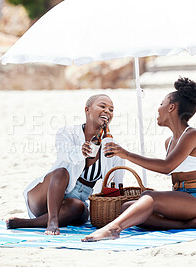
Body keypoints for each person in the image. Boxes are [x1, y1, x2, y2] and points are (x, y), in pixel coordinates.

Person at [82, 77, 196, 242]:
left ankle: (113, 229)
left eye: (161, 104)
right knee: (128, 207)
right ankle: (186, 225)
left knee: (149, 197)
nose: (158, 109)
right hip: (184, 197)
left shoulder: (192, 135)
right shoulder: (169, 142)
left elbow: (167, 167)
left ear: (171, 107)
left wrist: (126, 154)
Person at [7, 94, 124, 235]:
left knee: (81, 209)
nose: (107, 111)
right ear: (87, 110)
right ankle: (52, 222)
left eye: (111, 110)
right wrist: (81, 151)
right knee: (61, 172)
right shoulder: (67, 132)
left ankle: (24, 223)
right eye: (102, 106)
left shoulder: (113, 147)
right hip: (46, 195)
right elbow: (64, 153)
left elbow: (115, 184)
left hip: (70, 205)